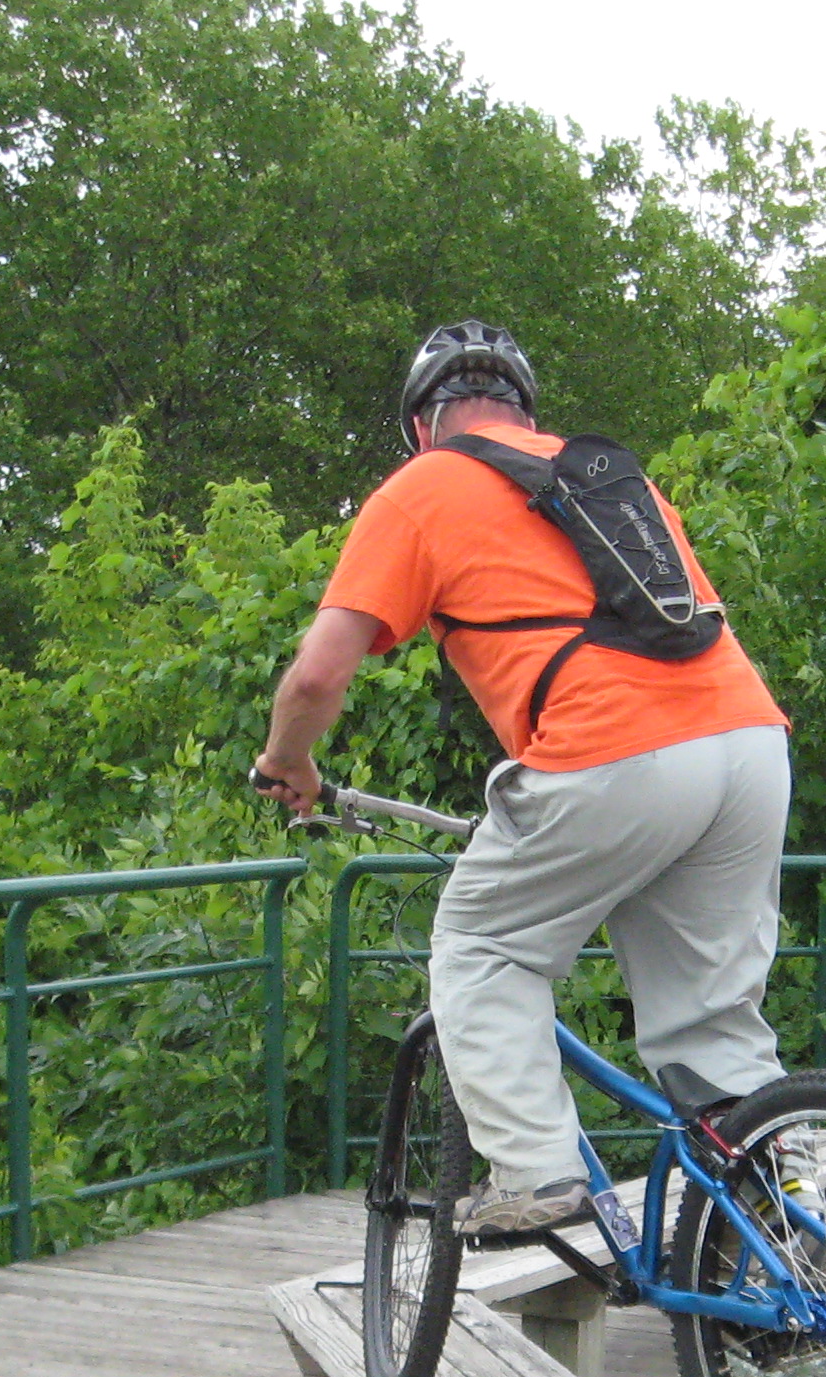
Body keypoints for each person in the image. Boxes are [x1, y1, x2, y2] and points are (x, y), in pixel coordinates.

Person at [252, 321, 794, 1234]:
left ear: (421, 425)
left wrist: (286, 761)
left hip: (615, 752)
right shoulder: (614, 481)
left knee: (481, 947)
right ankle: (791, 1226)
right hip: (748, 741)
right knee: (713, 1025)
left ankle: (539, 1173)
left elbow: (315, 678)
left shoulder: (422, 487)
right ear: (525, 416)